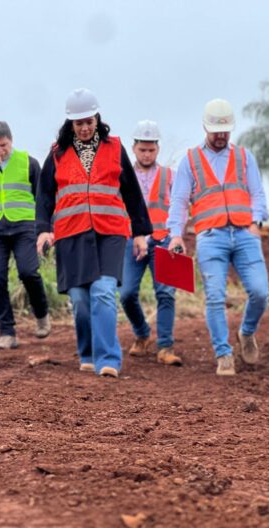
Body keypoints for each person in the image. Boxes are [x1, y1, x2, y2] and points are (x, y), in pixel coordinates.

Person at [36, 88, 151, 378]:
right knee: (80, 299)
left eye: (90, 121)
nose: (85, 128)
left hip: (109, 232)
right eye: (79, 123)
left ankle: (108, 358)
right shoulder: (57, 153)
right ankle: (87, 352)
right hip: (71, 235)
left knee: (102, 292)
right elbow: (45, 196)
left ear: (97, 119)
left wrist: (139, 232)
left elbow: (132, 192)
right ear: (70, 124)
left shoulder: (114, 148)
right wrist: (43, 230)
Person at [167, 98, 269, 377]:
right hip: (211, 237)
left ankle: (246, 333)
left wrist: (256, 222)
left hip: (244, 233)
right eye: (216, 131)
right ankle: (223, 354)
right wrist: (176, 235)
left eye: (226, 131)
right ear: (205, 127)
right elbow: (178, 201)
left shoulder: (244, 156)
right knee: (215, 297)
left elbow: (257, 192)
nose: (221, 136)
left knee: (261, 293)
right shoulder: (190, 161)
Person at [0, 121, 51, 349]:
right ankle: (7, 332)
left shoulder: (29, 163)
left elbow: (43, 200)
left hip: (24, 226)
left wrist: (45, 230)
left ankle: (41, 314)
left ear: (11, 140)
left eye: (3, 145)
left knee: (28, 272)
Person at [119, 120, 182, 366]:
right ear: (134, 148)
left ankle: (165, 346)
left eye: (151, 149)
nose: (147, 154)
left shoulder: (170, 176)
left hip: (163, 240)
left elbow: (180, 206)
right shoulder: (122, 176)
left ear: (157, 149)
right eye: (142, 149)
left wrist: (178, 235)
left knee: (166, 293)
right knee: (126, 294)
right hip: (131, 240)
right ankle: (143, 333)